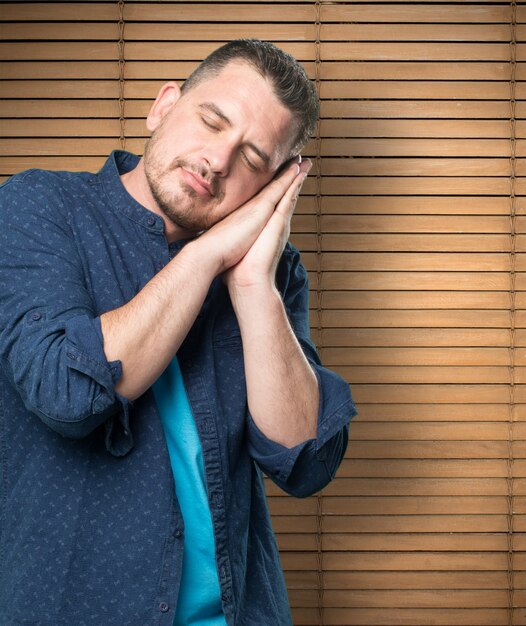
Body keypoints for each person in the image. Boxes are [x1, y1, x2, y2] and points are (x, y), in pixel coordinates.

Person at [0, 39, 356, 625]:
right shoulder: (38, 206)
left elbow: (304, 463)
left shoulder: (271, 270)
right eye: (211, 122)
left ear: (274, 187)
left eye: (252, 158)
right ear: (164, 106)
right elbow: (65, 392)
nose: (217, 161)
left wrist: (251, 288)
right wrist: (208, 254)